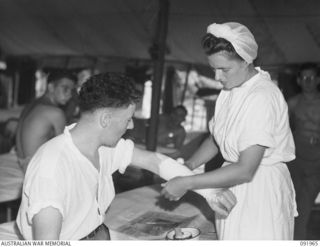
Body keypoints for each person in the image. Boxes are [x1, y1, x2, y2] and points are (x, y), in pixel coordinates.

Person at [16, 72, 237, 240]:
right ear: (105, 120)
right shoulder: (52, 168)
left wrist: (210, 192)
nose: (131, 125)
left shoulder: (104, 147)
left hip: (98, 233)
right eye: (128, 118)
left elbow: (154, 161)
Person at [161, 22, 297, 240]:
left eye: (224, 69)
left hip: (259, 188)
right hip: (231, 182)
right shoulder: (230, 90)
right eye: (213, 68)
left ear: (246, 61)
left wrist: (188, 182)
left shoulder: (261, 97)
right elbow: (217, 138)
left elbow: (246, 169)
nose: (217, 77)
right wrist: (189, 166)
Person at [15, 70, 76, 173]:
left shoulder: (32, 104)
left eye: (72, 90)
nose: (69, 94)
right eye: (65, 88)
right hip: (34, 168)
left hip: (23, 162)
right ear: (51, 87)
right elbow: (65, 150)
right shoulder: (55, 113)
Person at [287, 62, 320, 240]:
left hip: (317, 161)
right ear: (299, 81)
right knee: (295, 203)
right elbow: (279, 128)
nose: (308, 81)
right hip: (297, 159)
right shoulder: (292, 103)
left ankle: (298, 239)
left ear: (318, 80)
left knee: (305, 202)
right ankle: (295, 239)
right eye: (304, 78)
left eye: (312, 77)